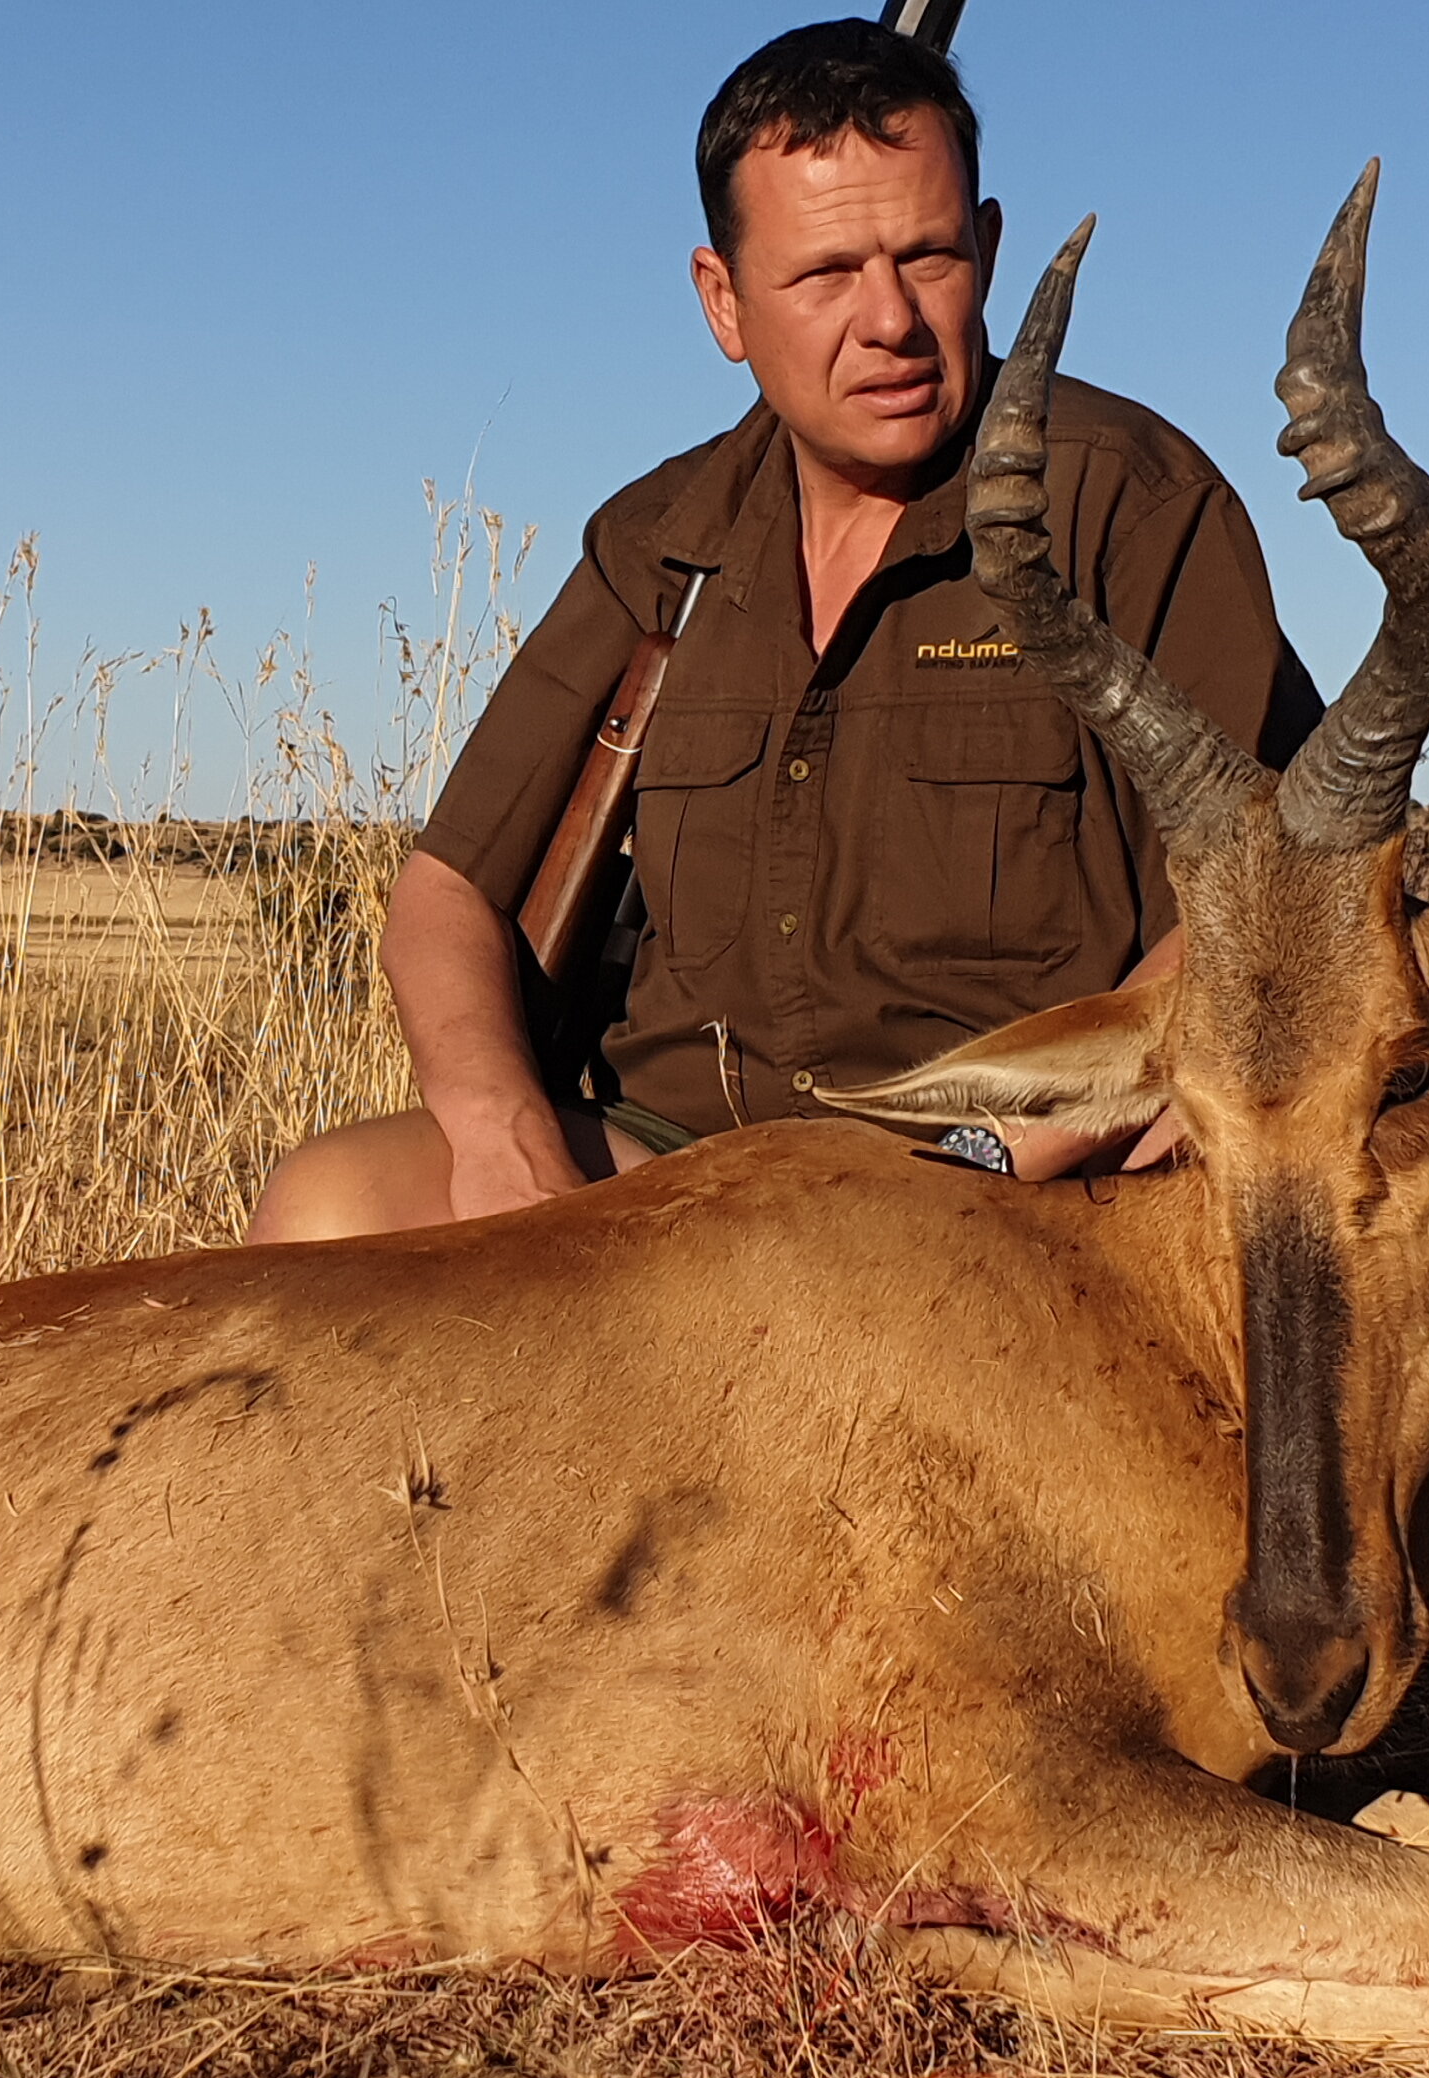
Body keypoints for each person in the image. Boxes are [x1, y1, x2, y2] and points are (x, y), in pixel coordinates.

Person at [247, 19, 1319, 1243]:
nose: (890, 322)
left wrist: (1019, 1148)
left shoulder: (1128, 501)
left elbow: (1275, 885)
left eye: (928, 257)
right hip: (678, 1165)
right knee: (325, 1213)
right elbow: (444, 894)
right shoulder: (661, 539)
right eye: (823, 276)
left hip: (1012, 1191)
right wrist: (504, 1135)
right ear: (725, 302)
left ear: (990, 245)